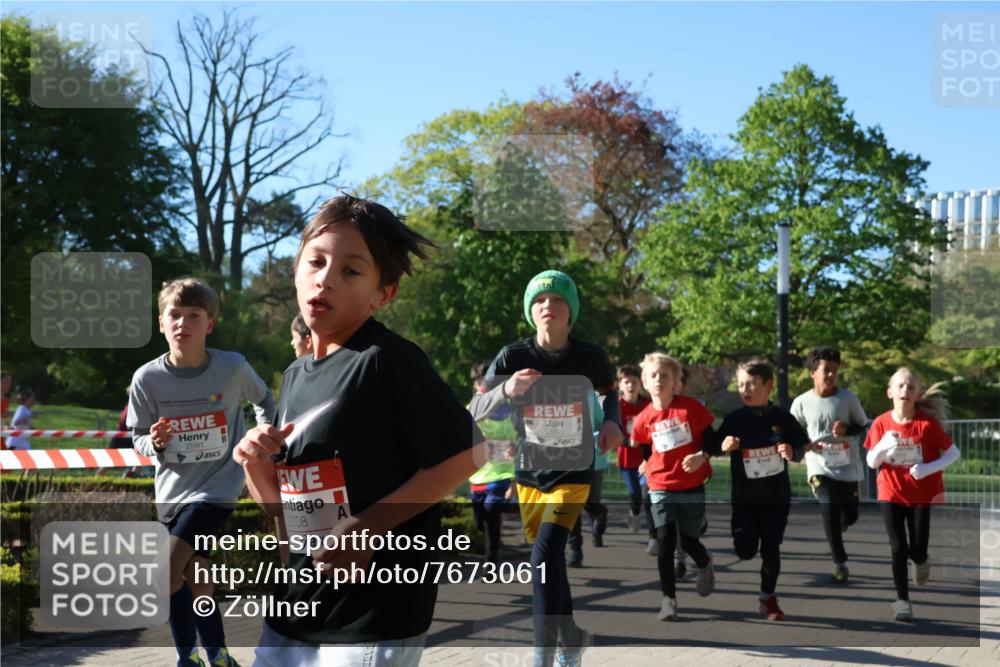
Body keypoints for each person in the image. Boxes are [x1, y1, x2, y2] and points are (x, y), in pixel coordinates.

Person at [232, 195, 485, 667]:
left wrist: (366, 530)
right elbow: (286, 514)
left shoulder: (387, 360)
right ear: (296, 271)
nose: (326, 278)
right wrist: (255, 465)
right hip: (294, 606)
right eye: (316, 261)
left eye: (351, 270)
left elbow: (468, 454)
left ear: (382, 294)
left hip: (371, 617)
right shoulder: (294, 375)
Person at [469, 269, 623, 667]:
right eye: (539, 300)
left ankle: (542, 657)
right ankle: (571, 637)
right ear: (530, 311)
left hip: (575, 471)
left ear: (570, 311)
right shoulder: (513, 356)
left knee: (541, 559)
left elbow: (611, 394)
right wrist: (506, 389)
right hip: (530, 473)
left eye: (556, 300)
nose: (547, 306)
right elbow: (475, 408)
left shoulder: (590, 357)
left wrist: (611, 422)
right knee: (550, 563)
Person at [130, 277, 277, 667]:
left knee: (165, 573)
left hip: (217, 490)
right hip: (171, 494)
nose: (182, 323)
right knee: (195, 577)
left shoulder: (232, 367)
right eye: (174, 315)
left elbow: (265, 400)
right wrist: (155, 442)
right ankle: (217, 655)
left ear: (209, 324)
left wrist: (263, 442)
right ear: (160, 323)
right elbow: (138, 437)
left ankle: (187, 659)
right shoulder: (146, 378)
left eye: (193, 315)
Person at [705, 359, 808, 621]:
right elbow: (715, 445)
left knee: (771, 548)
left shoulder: (783, 419)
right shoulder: (734, 419)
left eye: (751, 383)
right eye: (740, 384)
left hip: (776, 497)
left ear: (768, 385)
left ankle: (768, 598)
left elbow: (801, 445)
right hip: (745, 499)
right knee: (745, 550)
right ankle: (741, 561)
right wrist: (725, 445)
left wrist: (792, 452)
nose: (745, 389)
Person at [864, 367, 960, 622]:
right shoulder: (881, 423)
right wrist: (884, 445)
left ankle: (921, 560)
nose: (904, 390)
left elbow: (954, 453)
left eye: (910, 387)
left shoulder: (926, 424)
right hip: (891, 492)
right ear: (890, 392)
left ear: (918, 394)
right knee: (897, 547)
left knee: (917, 548)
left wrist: (928, 467)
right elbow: (872, 462)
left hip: (920, 494)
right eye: (900, 386)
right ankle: (902, 601)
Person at [630, 353, 716, 620]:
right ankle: (668, 600)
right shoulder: (643, 418)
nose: (659, 380)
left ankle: (704, 563)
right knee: (665, 542)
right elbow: (646, 447)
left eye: (665, 376)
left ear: (676, 382)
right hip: (660, 486)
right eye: (653, 376)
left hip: (690, 484)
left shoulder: (690, 408)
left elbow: (712, 440)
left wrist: (702, 456)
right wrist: (646, 462)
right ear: (645, 381)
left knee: (690, 541)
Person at [790, 346, 869, 583]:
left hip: (848, 467)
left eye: (835, 370)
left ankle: (842, 523)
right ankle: (840, 562)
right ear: (813, 372)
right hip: (819, 467)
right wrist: (803, 443)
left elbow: (862, 425)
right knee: (829, 509)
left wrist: (846, 429)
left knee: (850, 516)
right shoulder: (802, 402)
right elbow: (792, 429)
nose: (831, 375)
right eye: (826, 370)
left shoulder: (847, 398)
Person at [468, 361, 516, 565]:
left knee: (490, 511)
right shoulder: (470, 410)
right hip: (478, 475)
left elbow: (525, 439)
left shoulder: (514, 411)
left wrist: (517, 448)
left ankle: (491, 563)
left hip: (503, 473)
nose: (483, 386)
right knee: (481, 521)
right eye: (479, 382)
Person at [566, 392, 608, 566]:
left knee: (590, 503)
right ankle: (576, 549)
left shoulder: (589, 397)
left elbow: (602, 424)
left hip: (592, 460)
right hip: (563, 460)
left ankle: (600, 513)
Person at [616, 365, 650, 535]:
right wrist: (627, 442)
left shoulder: (648, 404)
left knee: (646, 494)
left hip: (646, 459)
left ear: (640, 384)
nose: (630, 386)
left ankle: (653, 532)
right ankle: (634, 513)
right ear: (620, 385)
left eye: (634, 382)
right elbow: (613, 431)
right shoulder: (616, 406)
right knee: (635, 494)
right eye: (626, 382)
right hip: (627, 459)